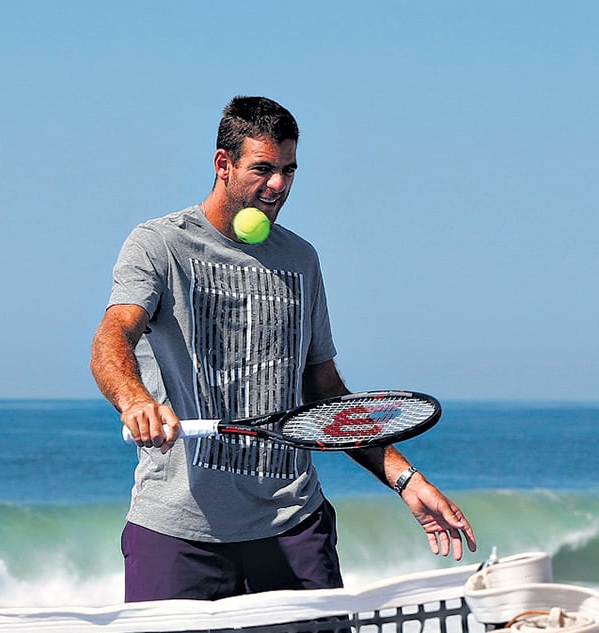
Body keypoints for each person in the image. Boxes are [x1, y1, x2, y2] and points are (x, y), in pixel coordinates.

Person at [90, 96, 476, 602]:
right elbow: (113, 334)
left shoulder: (301, 259)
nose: (278, 185)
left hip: (293, 524)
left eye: (288, 170)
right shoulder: (159, 245)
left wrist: (406, 479)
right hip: (179, 530)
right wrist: (135, 400)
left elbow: (325, 395)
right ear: (223, 164)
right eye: (263, 169)